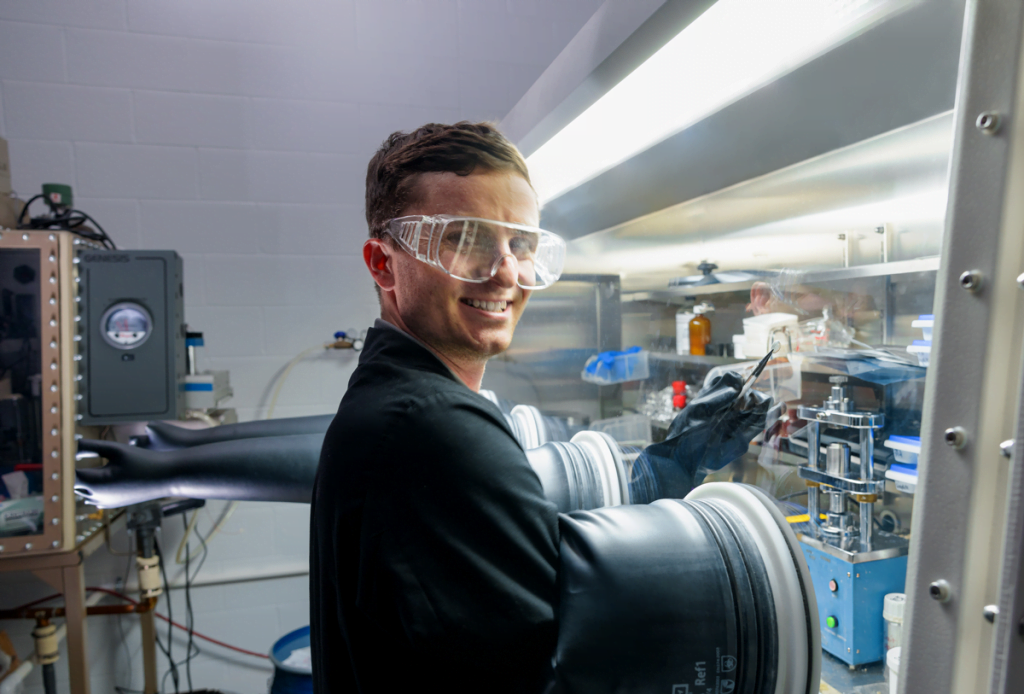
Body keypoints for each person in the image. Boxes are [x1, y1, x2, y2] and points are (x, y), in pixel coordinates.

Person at [309, 122, 564, 693]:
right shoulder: (432, 427)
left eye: (521, 243)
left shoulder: (390, 396)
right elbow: (558, 667)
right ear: (383, 264)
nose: (504, 271)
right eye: (467, 239)